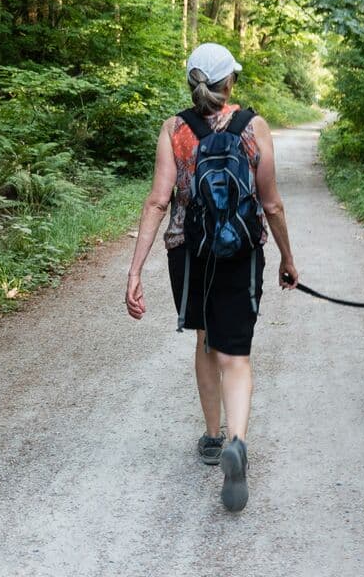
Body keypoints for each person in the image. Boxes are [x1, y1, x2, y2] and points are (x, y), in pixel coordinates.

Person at [125, 42, 298, 513]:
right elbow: (272, 203)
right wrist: (286, 258)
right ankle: (237, 442)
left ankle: (211, 436)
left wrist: (135, 269)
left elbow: (159, 201)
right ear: (230, 83)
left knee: (205, 339)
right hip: (241, 253)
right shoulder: (253, 126)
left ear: (191, 83)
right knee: (235, 353)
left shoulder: (174, 128)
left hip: (190, 252)